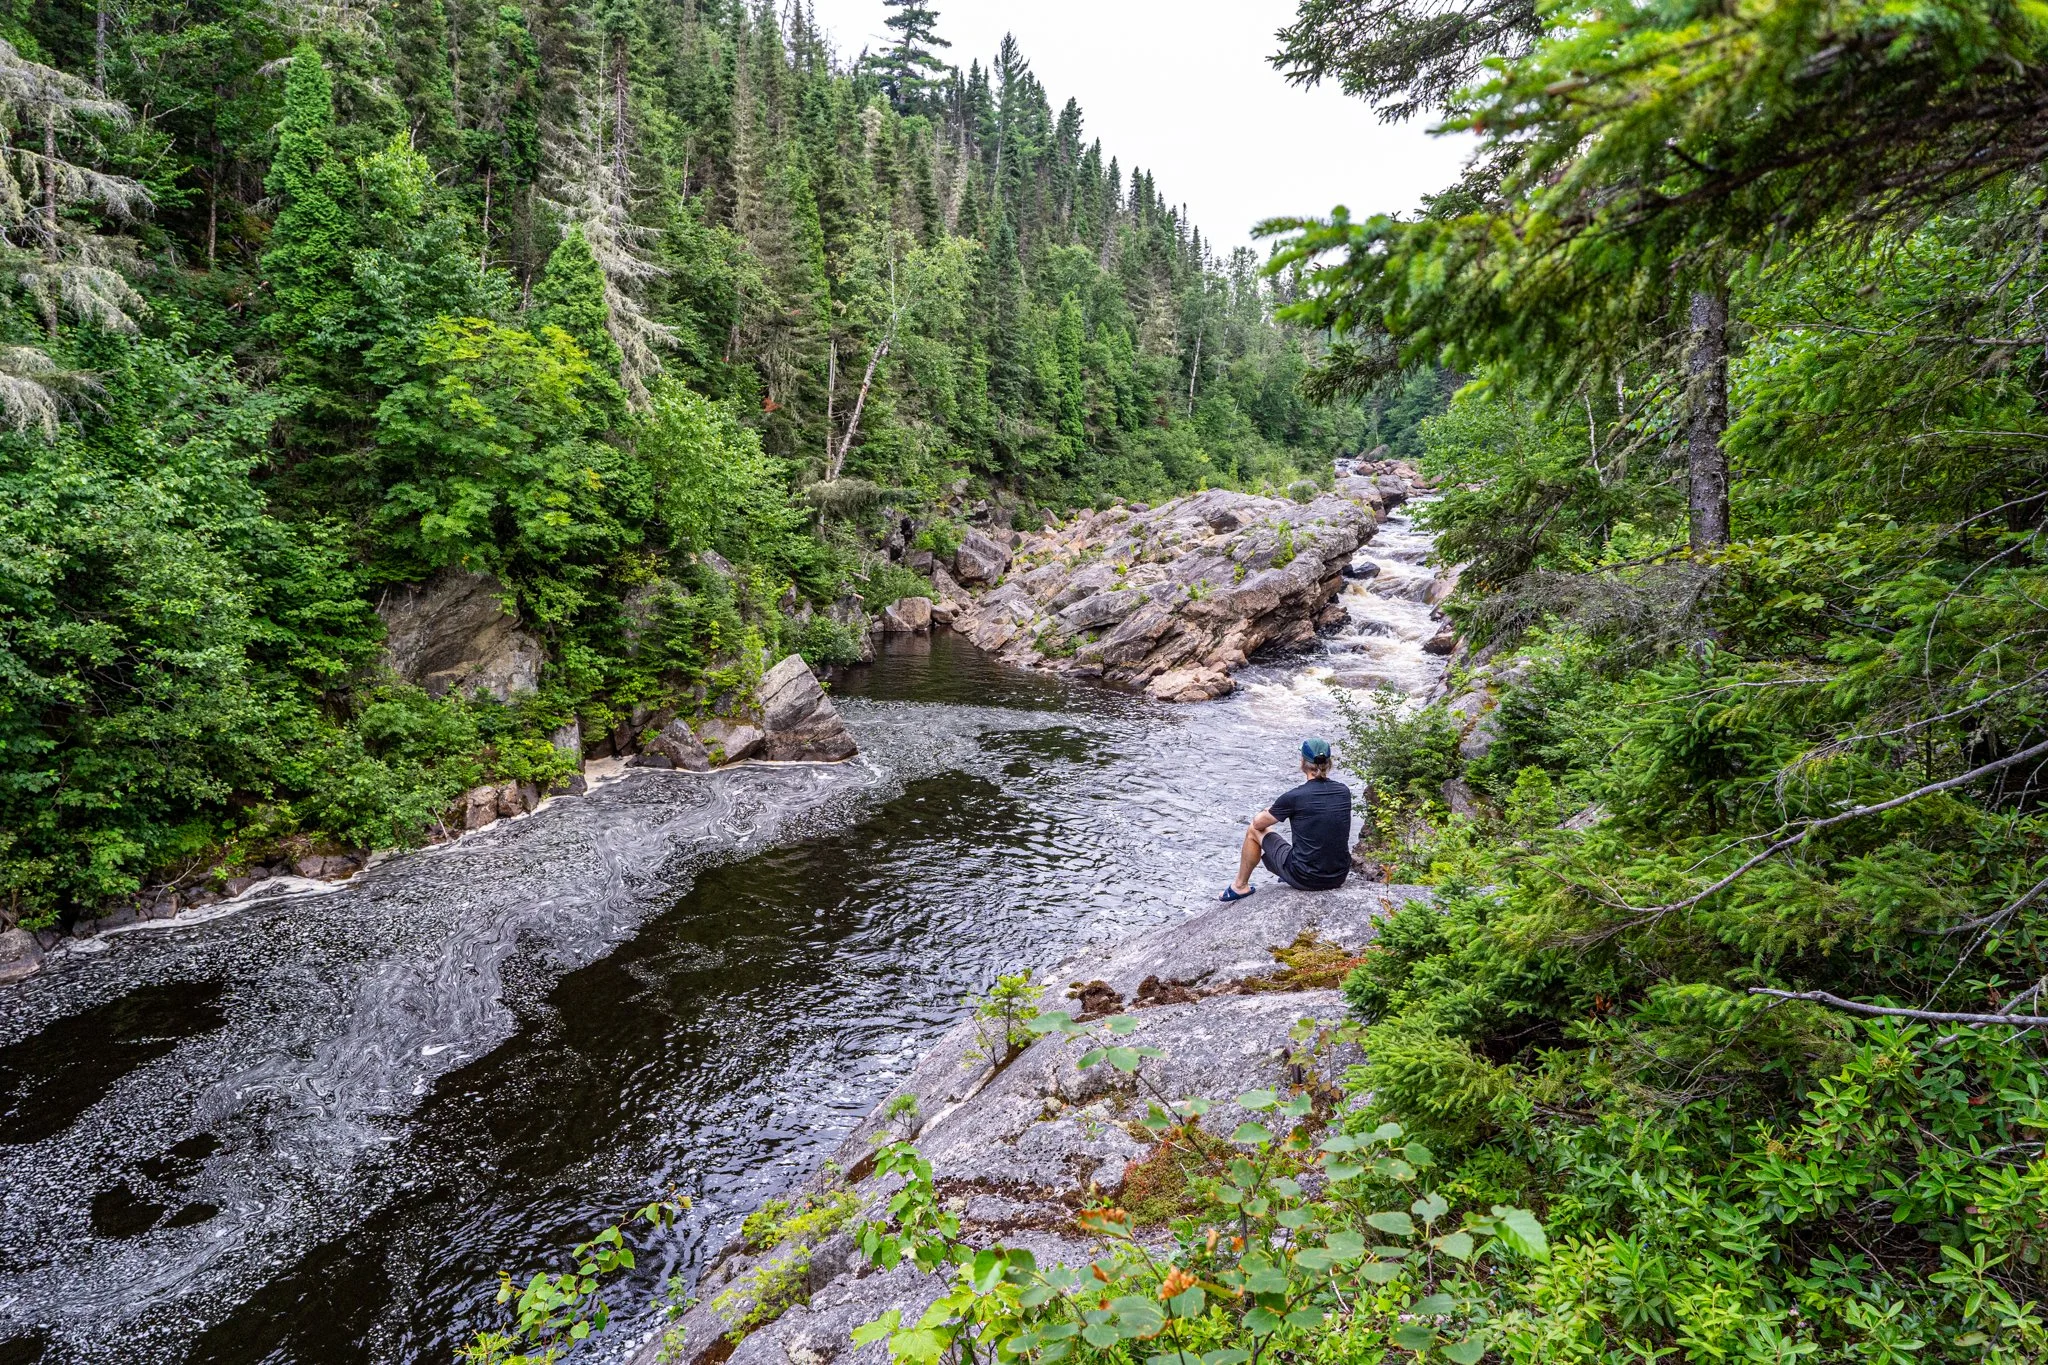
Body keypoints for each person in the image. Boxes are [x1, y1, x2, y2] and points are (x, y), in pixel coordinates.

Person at [1220, 738, 1353, 901]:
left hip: (1305, 878)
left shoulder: (1295, 797)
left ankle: (1240, 886)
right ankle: (1286, 873)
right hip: (1338, 876)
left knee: (1253, 830)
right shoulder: (1344, 791)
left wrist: (1270, 810)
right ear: (1329, 763)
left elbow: (1258, 823)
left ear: (1302, 763)